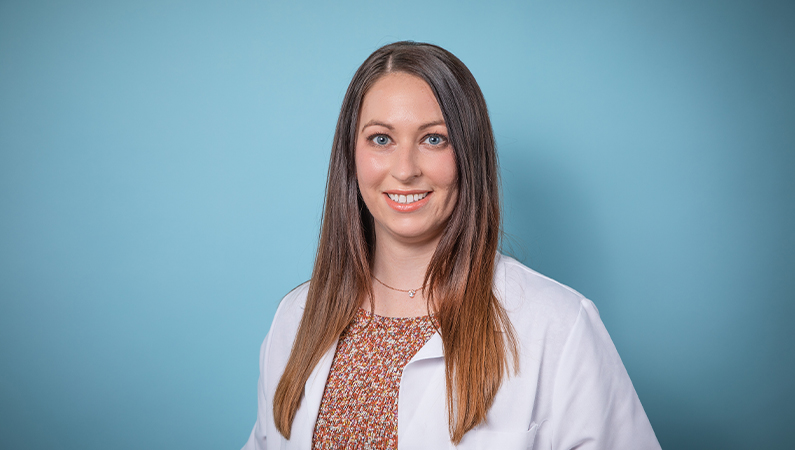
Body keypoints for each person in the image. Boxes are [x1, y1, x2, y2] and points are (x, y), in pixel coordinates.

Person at [242, 41, 661, 450]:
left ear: (469, 153)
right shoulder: (296, 318)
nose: (405, 170)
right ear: (351, 156)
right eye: (381, 139)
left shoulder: (559, 325)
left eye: (434, 139)